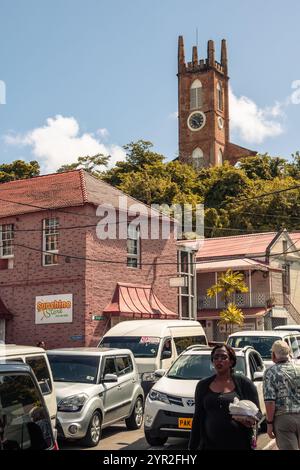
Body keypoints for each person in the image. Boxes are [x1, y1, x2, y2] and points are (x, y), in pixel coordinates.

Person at [188, 343, 260, 450]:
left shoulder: (244, 383)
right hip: (209, 445)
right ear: (212, 361)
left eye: (223, 357)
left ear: (231, 361)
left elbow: (258, 413)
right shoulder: (203, 385)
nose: (219, 360)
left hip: (239, 444)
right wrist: (192, 447)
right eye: (216, 357)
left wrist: (250, 420)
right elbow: (197, 417)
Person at [263, 340, 300, 450]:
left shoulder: (270, 372)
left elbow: (270, 401)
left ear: (273, 355)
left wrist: (269, 424)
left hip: (284, 419)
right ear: (289, 353)